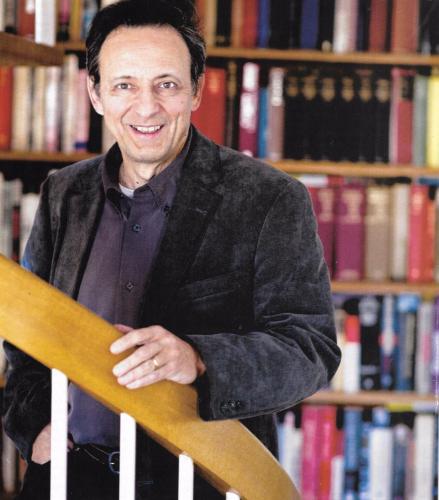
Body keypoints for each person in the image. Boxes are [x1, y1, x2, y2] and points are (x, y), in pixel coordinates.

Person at [2, 0, 341, 498]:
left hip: (197, 481)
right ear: (95, 93)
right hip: (67, 477)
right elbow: (26, 339)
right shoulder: (63, 192)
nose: (146, 108)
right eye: (124, 86)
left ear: (196, 90)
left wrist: (198, 359)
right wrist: (35, 432)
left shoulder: (269, 198)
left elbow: (310, 350)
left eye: (167, 84)